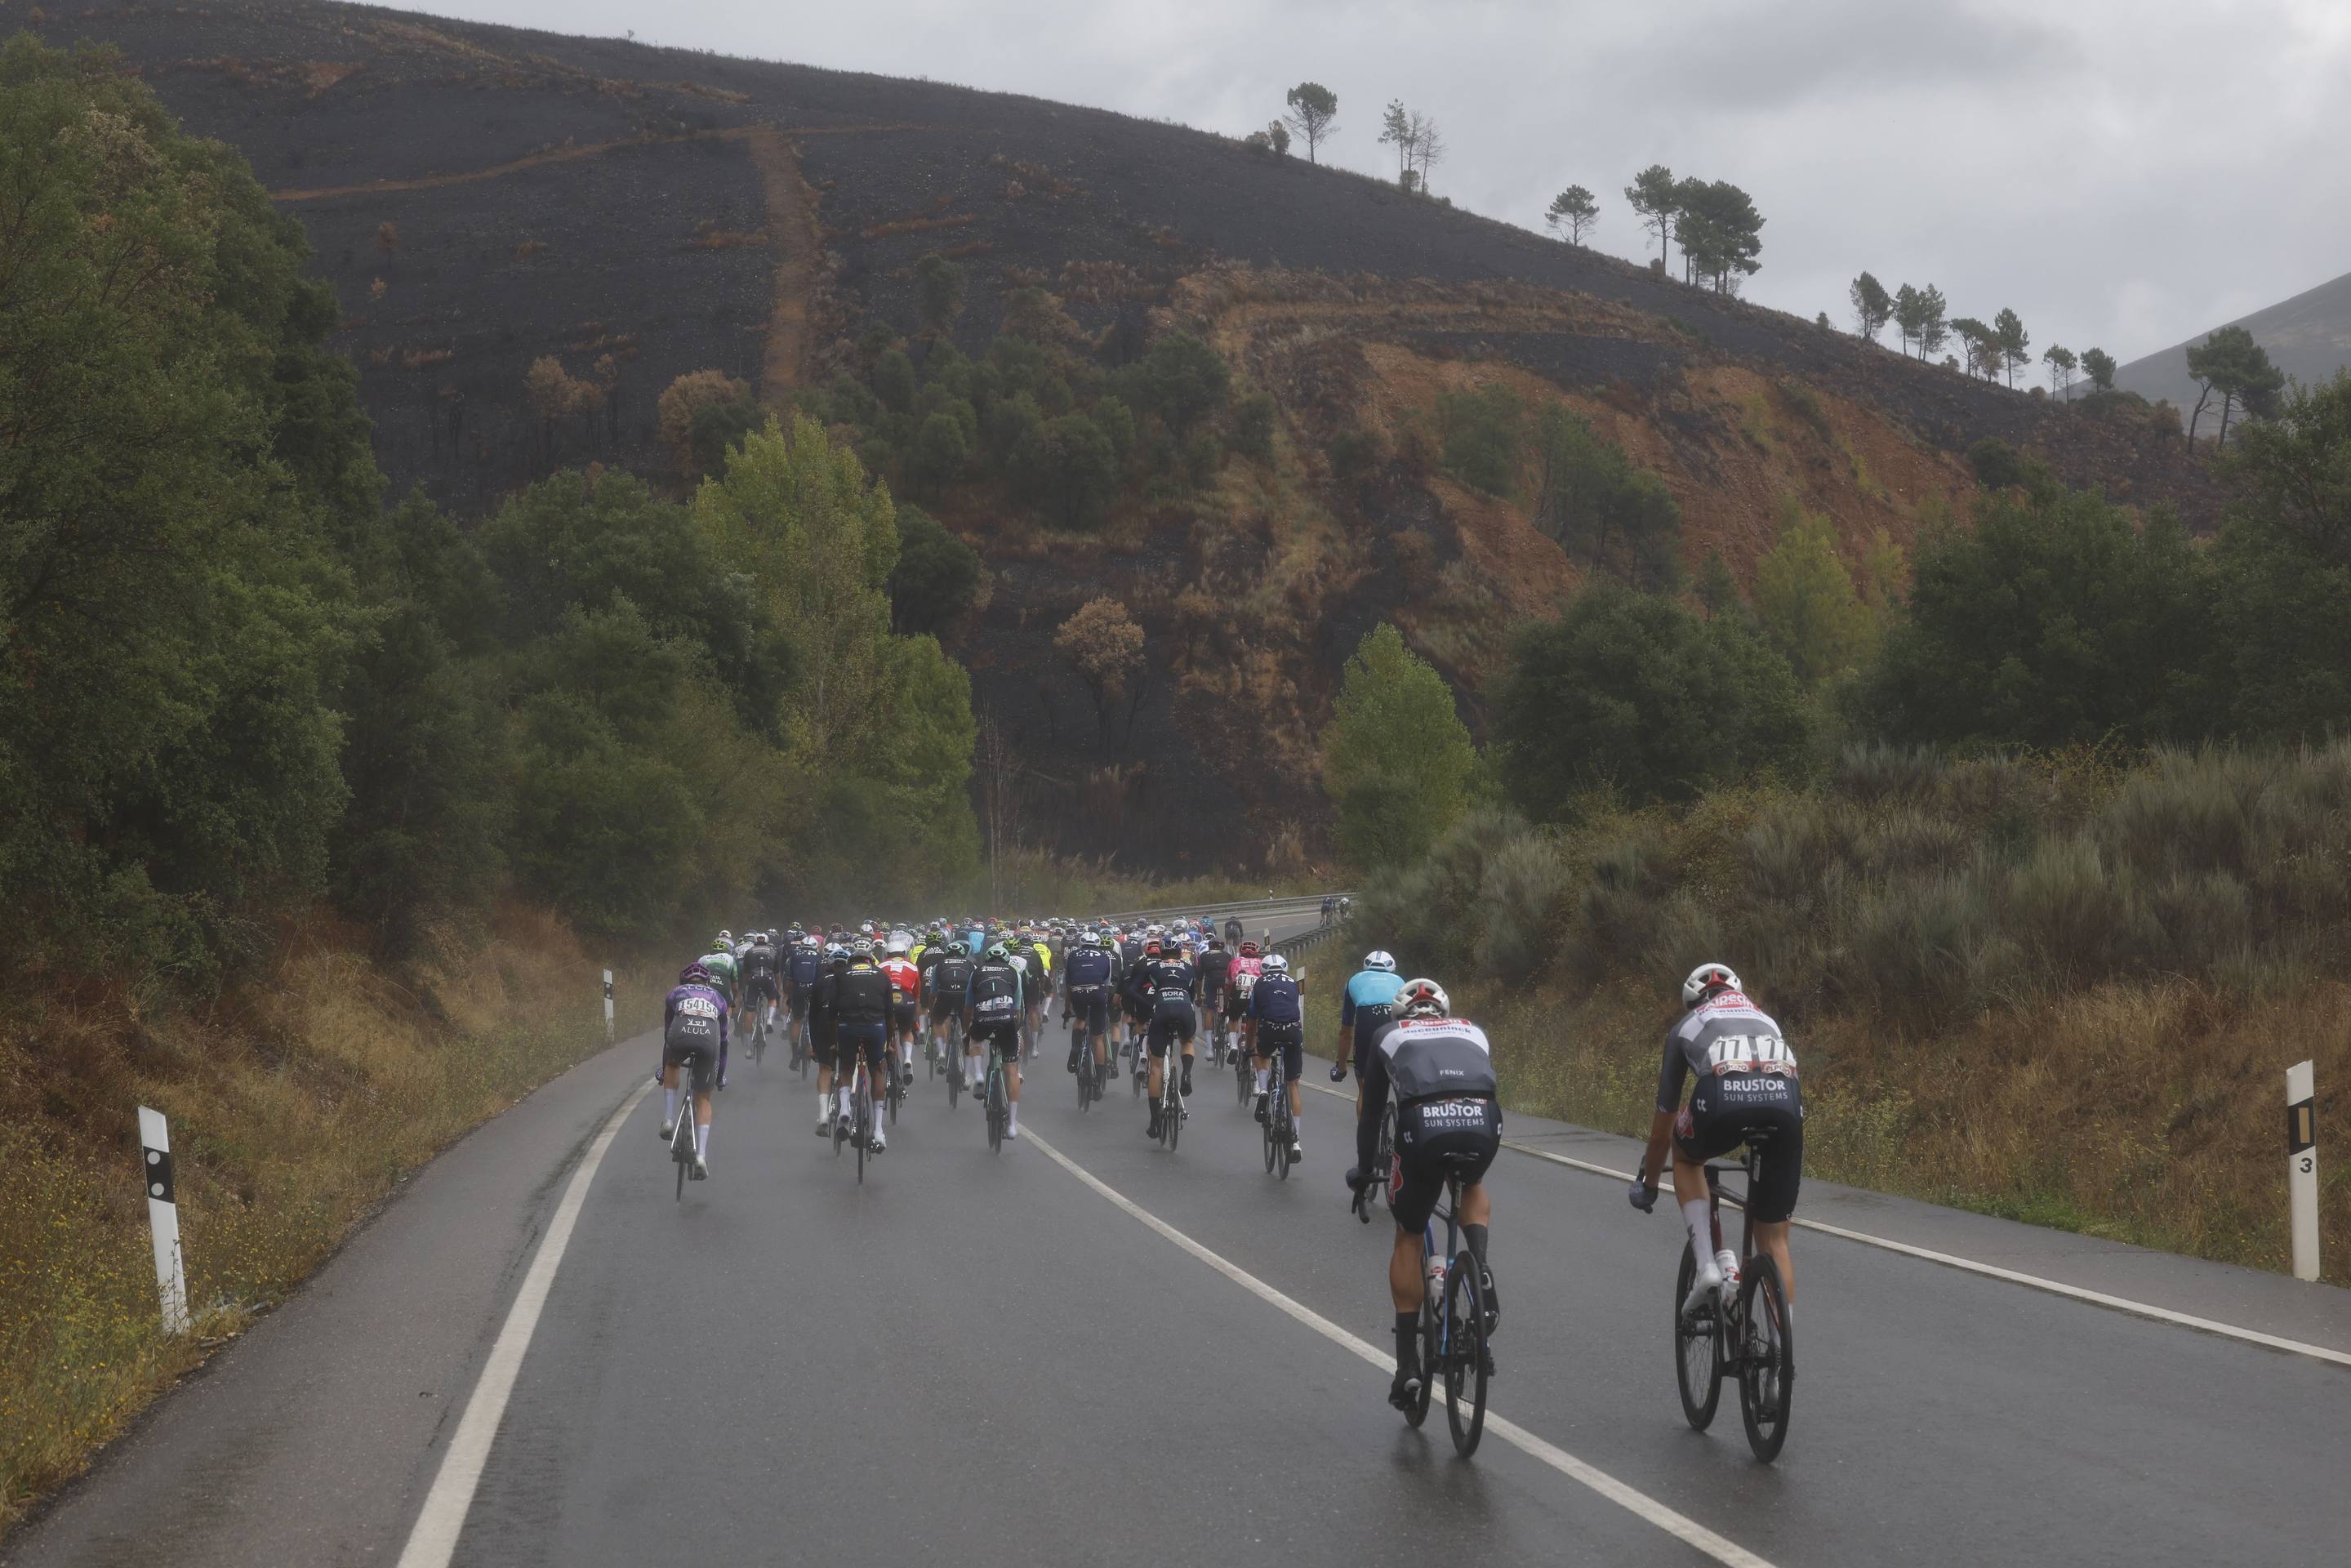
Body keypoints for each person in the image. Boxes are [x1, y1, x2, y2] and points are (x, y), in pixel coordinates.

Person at [1345, 979, 1499, 1409]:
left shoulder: (1387, 1033)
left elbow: (1372, 1112)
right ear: (1443, 1012)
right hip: (1482, 1118)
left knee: (1409, 1234)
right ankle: (1481, 1267)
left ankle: (1408, 1366)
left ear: (1401, 1015)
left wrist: (1364, 1169)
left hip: (1422, 1124)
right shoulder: (1473, 1030)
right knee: (1471, 1183)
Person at [1628, 964, 1803, 1325]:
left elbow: (1662, 1129)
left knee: (1686, 1157)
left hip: (1723, 1099)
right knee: (1775, 1240)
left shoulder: (1686, 1027)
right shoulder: (1767, 1021)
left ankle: (1707, 1265)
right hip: (1785, 1107)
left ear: (1694, 1002)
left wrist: (1649, 1184)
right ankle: (1780, 1348)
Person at [661, 963, 728, 1179]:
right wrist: (719, 1076)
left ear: (684, 981)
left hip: (680, 1036)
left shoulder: (675, 994)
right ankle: (701, 1156)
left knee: (673, 1065)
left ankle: (669, 1119)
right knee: (704, 1098)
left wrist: (664, 1068)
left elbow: (668, 1034)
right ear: (707, 982)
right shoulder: (719, 998)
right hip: (708, 1042)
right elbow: (724, 1041)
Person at [1133, 937, 1200, 1141]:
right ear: (1180, 953)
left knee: (1155, 1068)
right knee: (1187, 1041)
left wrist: (1147, 1006)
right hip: (1184, 1009)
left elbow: (1132, 989)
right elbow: (1193, 995)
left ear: (1161, 953)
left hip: (1161, 1010)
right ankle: (1186, 1074)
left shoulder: (1153, 966)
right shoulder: (1188, 967)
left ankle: (1155, 1122)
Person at [830, 943, 894, 1153]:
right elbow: (889, 1013)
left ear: (851, 962)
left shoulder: (841, 974)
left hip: (847, 1026)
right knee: (878, 1070)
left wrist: (834, 1040)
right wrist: (890, 1043)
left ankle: (845, 1108)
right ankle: (878, 1131)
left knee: (846, 1067)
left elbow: (832, 1011)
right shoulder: (882, 974)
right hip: (875, 1027)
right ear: (870, 961)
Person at [1247, 951, 1307, 1163]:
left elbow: (1252, 1020)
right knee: (1293, 1085)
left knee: (1260, 1054)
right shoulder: (1293, 983)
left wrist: (1249, 1047)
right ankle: (1296, 1141)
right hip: (1293, 1030)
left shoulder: (1259, 984)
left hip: (1270, 1029)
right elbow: (1296, 1010)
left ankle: (1263, 1089)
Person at [962, 942, 1026, 1137]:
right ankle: (1012, 1125)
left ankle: (979, 1074)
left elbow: (968, 1008)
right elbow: (1017, 1009)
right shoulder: (1014, 973)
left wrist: (966, 1031)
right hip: (1006, 1019)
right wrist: (1017, 1029)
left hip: (982, 1017)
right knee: (1011, 1070)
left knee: (976, 1040)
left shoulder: (977, 972)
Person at [1329, 950, 1404, 1085]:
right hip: (1392, 1019)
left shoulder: (1353, 980)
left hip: (1367, 1017)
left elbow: (1346, 1033)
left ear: (1365, 968)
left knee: (1365, 1088)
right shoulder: (1401, 981)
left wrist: (1341, 1069)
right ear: (1393, 970)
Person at [1062, 928, 1117, 1082]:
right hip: (1097, 992)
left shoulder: (1073, 955)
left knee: (1080, 1019)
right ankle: (1099, 1078)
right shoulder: (1105, 957)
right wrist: (1104, 1005)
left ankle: (1075, 1048)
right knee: (1098, 1038)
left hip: (1077, 992)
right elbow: (1106, 986)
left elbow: (1068, 987)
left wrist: (1067, 1010)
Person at [808, 943, 848, 1136]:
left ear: (829, 965)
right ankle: (847, 1105)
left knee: (825, 1068)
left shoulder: (820, 981)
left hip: (824, 1024)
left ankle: (823, 1113)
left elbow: (812, 1017)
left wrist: (813, 1045)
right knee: (849, 1066)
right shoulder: (851, 978)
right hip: (847, 1022)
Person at [881, 934, 922, 1089]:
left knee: (884, 1029)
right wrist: (915, 1022)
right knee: (906, 1030)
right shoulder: (913, 966)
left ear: (887, 954)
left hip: (887, 1000)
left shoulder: (880, 966)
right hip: (906, 1000)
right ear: (905, 953)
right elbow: (917, 997)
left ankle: (885, 1052)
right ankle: (907, 1059)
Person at [785, 935, 823, 1063]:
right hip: (814, 990)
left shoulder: (794, 956)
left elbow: (789, 982)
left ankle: (794, 1056)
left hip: (798, 989)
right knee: (816, 1021)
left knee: (797, 1021)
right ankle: (815, 1050)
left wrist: (789, 997)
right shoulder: (820, 957)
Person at [1196, 934, 1236, 1058]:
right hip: (1225, 980)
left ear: (1210, 947)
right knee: (1229, 1007)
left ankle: (1209, 1050)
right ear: (1222, 947)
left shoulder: (1204, 956)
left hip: (1210, 981)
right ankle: (1231, 1041)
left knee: (1209, 1010)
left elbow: (1199, 979)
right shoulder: (1227, 955)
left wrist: (1199, 996)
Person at [737, 930, 779, 1039]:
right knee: (772, 999)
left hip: (753, 978)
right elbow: (777, 974)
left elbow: (745, 973)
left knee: (750, 1010)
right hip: (768, 978)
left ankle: (748, 1043)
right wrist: (778, 989)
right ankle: (769, 1020)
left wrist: (745, 987)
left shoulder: (749, 951)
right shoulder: (773, 951)